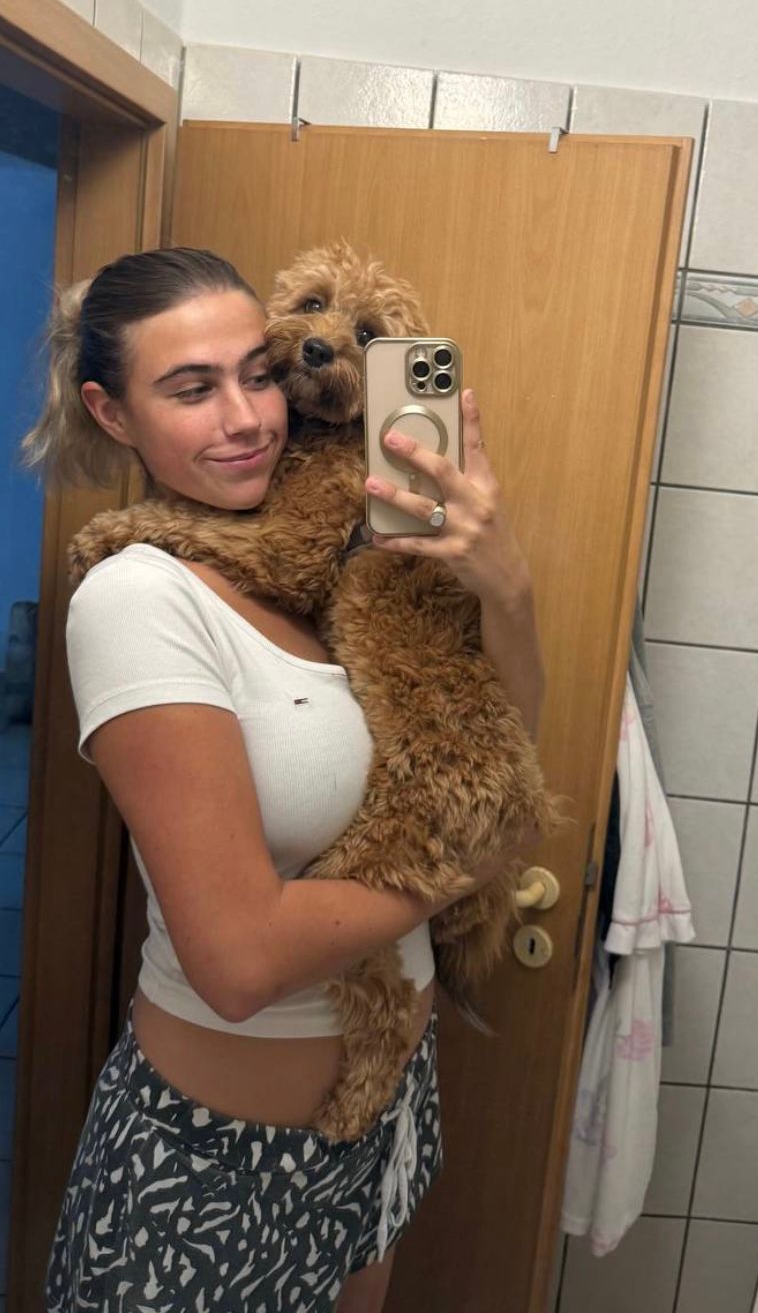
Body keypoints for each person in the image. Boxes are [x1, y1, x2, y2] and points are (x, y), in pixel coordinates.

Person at [25, 246, 546, 1313]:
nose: (247, 418)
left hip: (380, 1124)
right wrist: (468, 859)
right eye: (191, 389)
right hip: (214, 1165)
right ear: (113, 413)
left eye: (257, 374)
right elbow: (240, 962)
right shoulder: (137, 595)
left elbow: (499, 735)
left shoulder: (330, 544)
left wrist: (507, 592)